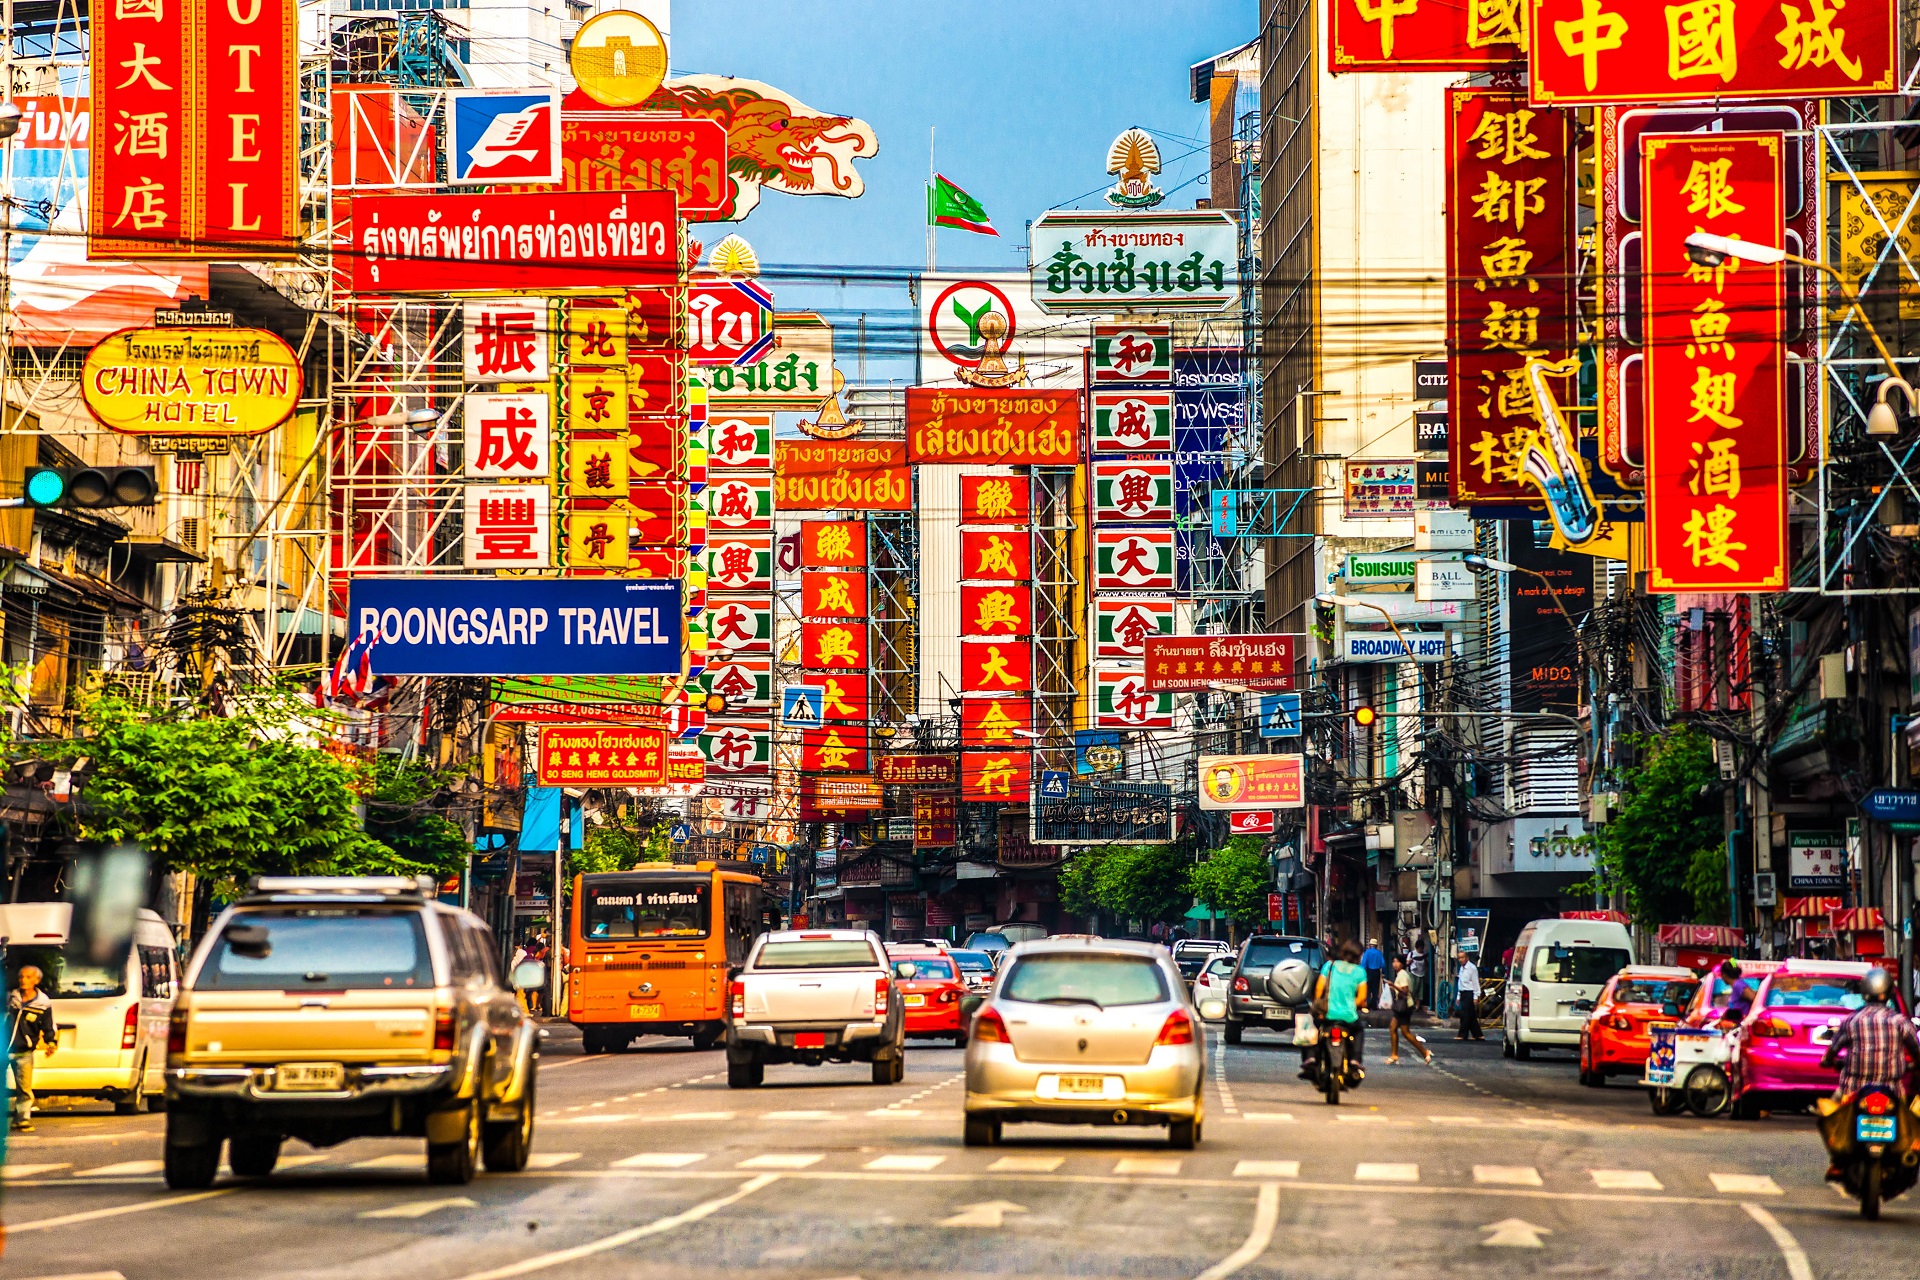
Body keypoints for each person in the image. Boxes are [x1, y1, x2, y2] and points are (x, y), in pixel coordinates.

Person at [1822, 966, 1920, 1099]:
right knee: (1910, 1119)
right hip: (1892, 1093)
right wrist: (1913, 1065)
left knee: (1829, 1116)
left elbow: (1833, 1050)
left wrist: (1828, 1061)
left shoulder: (1852, 1020)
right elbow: (1916, 1051)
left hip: (1853, 1091)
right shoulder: (1900, 1022)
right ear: (1890, 992)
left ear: (1864, 992)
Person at [8, 965, 58, 1132]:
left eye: (29, 977)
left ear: (37, 980)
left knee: (24, 1088)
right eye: (21, 977)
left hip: (24, 1051)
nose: (24, 980)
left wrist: (51, 1043)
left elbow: (48, 1026)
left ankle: (22, 1118)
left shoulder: (42, 1003)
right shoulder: (10, 998)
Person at [1312, 940, 1369, 1079]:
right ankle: (1355, 1059)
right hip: (1349, 1017)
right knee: (1359, 1031)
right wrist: (1351, 1005)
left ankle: (1313, 1058)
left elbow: (1319, 989)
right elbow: (1361, 998)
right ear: (1359, 956)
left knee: (1314, 1030)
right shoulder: (1360, 972)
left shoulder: (1330, 966)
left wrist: (1317, 1006)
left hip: (1327, 1015)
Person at [1387, 956, 1432, 1065]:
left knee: (1406, 1033)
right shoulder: (1401, 974)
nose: (1394, 964)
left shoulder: (1402, 975)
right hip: (1401, 1006)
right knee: (1393, 1028)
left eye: (1397, 961)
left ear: (1402, 964)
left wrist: (1393, 986)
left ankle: (1425, 1052)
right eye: (1393, 961)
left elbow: (1405, 991)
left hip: (1404, 1007)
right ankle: (1394, 1054)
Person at [1713, 960, 1755, 1030]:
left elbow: (1754, 998)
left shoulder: (1738, 985)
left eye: (1721, 975)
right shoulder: (1736, 985)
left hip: (1745, 1026)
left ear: (1724, 975)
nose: (1722, 978)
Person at [1455, 950, 1483, 1041]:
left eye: (1462, 957)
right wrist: (1458, 996)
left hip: (1470, 993)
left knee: (1465, 1015)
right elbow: (1461, 982)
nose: (1460, 960)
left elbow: (1475, 983)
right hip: (1463, 992)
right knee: (1471, 1015)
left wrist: (1476, 997)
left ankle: (1463, 1034)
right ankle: (1478, 1034)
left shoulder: (1472, 968)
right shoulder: (1461, 968)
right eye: (1459, 958)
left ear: (1467, 958)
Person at [1361, 937, 1386, 1010]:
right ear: (1376, 945)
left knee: (1368, 989)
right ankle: (1374, 1005)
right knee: (1375, 989)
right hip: (1377, 972)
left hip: (1369, 971)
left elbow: (1364, 963)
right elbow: (1383, 964)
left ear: (1370, 945)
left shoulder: (1367, 952)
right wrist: (1383, 972)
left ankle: (1368, 1004)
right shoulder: (1379, 953)